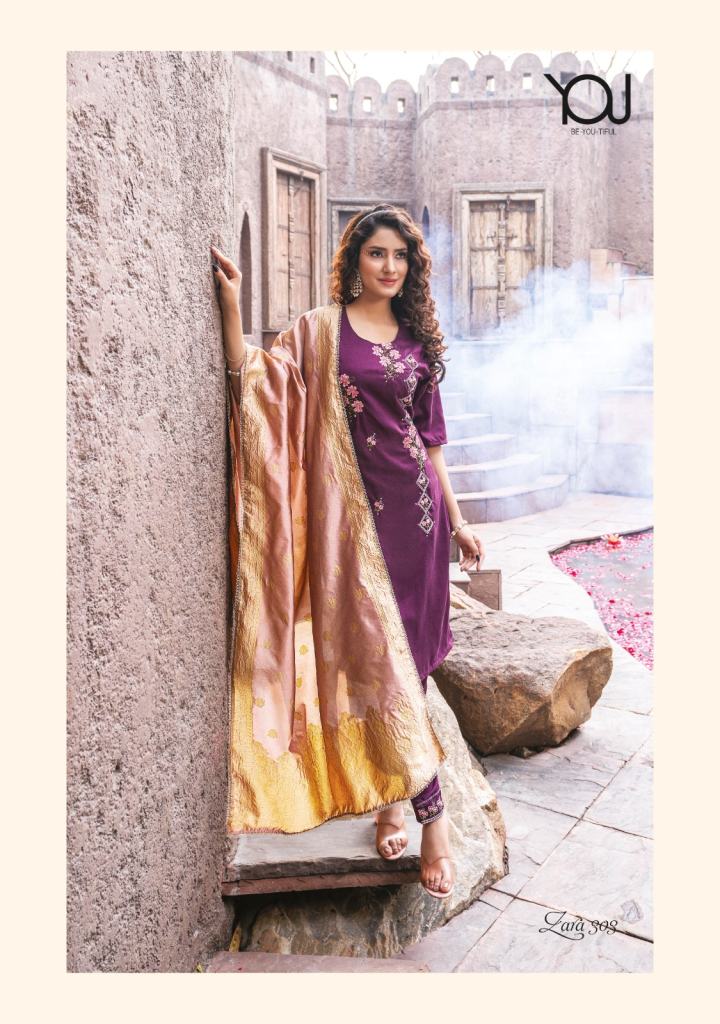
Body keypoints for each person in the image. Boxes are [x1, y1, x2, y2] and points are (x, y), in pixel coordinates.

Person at [211, 204, 484, 898]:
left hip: (419, 525)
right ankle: (428, 817)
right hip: (351, 530)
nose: (389, 266)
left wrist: (458, 522)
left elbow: (431, 444)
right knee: (376, 666)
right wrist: (232, 308)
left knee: (410, 668)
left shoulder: (417, 344)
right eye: (377, 253)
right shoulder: (319, 330)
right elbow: (258, 381)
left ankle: (399, 804)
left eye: (400, 256)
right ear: (355, 260)